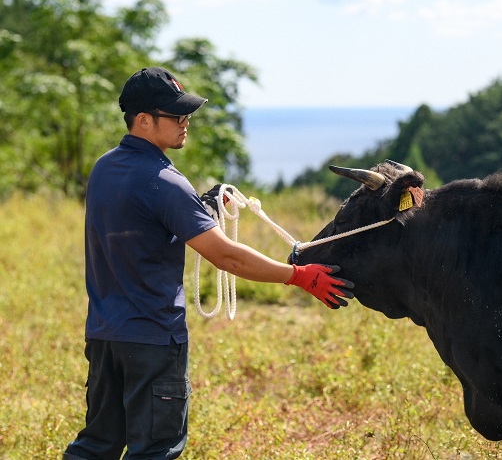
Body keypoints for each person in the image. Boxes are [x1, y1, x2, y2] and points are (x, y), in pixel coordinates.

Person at [64, 67, 354, 460]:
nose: (186, 123)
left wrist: (201, 206)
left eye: (186, 114)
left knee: (96, 446)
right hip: (153, 340)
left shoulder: (104, 168)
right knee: (155, 451)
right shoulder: (163, 180)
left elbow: (141, 219)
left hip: (104, 337)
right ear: (144, 120)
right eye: (176, 116)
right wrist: (299, 276)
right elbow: (226, 255)